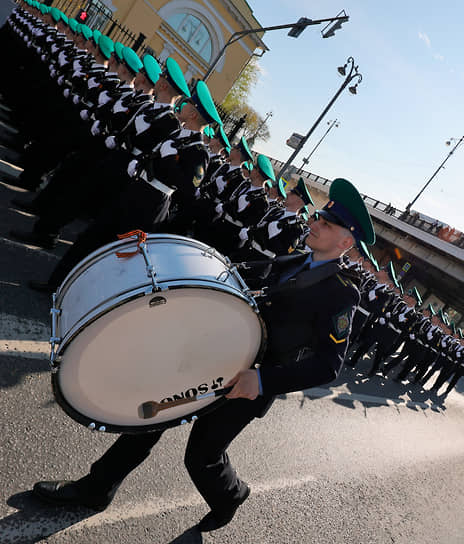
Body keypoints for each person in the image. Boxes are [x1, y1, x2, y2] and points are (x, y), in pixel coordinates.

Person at [31, 178, 376, 532]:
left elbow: (328, 367)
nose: (314, 224)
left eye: (326, 224)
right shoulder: (296, 259)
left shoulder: (342, 293)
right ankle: (96, 488)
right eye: (318, 217)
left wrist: (261, 380)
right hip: (217, 355)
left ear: (345, 242)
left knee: (201, 458)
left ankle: (231, 495)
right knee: (148, 418)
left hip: (248, 383)